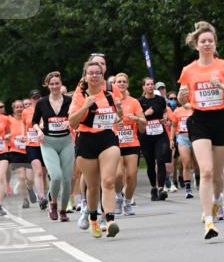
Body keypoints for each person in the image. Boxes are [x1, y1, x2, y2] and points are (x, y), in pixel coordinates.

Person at [178, 21, 224, 240]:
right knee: (206, 171)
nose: (207, 44)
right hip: (199, 120)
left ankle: (217, 200)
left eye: (210, 41)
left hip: (222, 119)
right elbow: (182, 97)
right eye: (202, 41)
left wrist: (223, 87)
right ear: (196, 45)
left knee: (217, 174)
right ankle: (208, 220)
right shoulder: (188, 70)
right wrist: (182, 96)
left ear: (215, 44)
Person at [69, 59, 123, 238]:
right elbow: (72, 122)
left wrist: (120, 111)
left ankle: (110, 220)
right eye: (90, 73)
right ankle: (92, 218)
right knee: (93, 186)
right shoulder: (79, 95)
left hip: (108, 138)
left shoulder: (109, 94)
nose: (94, 76)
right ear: (85, 76)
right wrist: (85, 106)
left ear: (102, 76)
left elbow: (118, 118)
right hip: (86, 140)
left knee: (108, 180)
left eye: (97, 73)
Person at [31, 72, 74, 222]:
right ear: (47, 86)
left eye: (57, 83)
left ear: (61, 84)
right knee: (55, 176)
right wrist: (38, 131)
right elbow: (34, 121)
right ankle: (53, 204)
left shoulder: (70, 101)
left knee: (67, 179)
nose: (55, 86)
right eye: (52, 84)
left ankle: (63, 210)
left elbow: (78, 117)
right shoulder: (42, 102)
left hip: (67, 141)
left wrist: (70, 122)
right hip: (48, 142)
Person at [112, 72, 146, 215]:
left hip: (132, 142)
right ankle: (118, 196)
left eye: (124, 81)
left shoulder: (134, 102)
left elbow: (144, 124)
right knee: (118, 175)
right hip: (115, 142)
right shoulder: (110, 100)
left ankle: (127, 201)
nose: (121, 84)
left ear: (127, 84)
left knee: (131, 175)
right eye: (118, 82)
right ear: (115, 84)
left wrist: (137, 119)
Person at [138, 77, 170, 201]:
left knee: (161, 160)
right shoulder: (139, 101)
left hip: (160, 133)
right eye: (148, 84)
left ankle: (161, 188)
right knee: (150, 163)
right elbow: (136, 118)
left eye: (152, 84)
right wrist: (145, 114)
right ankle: (153, 188)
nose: (150, 86)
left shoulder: (160, 100)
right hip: (146, 135)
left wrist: (165, 118)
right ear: (144, 87)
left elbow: (165, 112)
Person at [22, 89, 48, 210]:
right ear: (30, 99)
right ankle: (41, 197)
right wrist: (23, 135)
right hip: (31, 144)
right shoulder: (26, 111)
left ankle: (46, 194)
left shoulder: (46, 107)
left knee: (44, 173)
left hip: (45, 143)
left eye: (38, 97)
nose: (36, 99)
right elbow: (24, 125)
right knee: (37, 171)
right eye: (34, 98)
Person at [169, 87, 194, 198]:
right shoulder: (177, 111)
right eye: (183, 95)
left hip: (196, 136)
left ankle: (200, 181)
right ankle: (188, 189)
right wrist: (171, 139)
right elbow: (174, 127)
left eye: (187, 94)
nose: (185, 97)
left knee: (198, 164)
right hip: (182, 137)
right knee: (186, 162)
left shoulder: (195, 108)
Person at [8, 99, 31, 209]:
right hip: (15, 151)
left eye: (21, 106)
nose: (19, 109)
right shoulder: (9, 121)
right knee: (22, 177)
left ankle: (30, 188)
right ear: (13, 109)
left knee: (30, 179)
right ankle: (25, 199)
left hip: (29, 150)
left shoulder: (29, 119)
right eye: (16, 107)